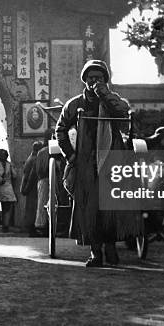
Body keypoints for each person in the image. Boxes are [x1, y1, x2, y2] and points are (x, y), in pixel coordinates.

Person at [55, 59, 143, 267]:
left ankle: (111, 249)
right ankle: (96, 252)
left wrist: (105, 94)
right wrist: (71, 155)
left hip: (111, 158)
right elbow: (60, 130)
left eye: (99, 78)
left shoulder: (113, 100)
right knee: (91, 208)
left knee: (111, 207)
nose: (94, 82)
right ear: (84, 80)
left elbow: (124, 113)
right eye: (91, 78)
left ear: (105, 80)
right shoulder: (74, 104)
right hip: (86, 162)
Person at [31, 129, 58, 237]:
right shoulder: (45, 151)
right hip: (48, 179)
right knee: (46, 203)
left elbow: (38, 169)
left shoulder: (41, 152)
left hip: (44, 179)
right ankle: (43, 226)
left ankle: (41, 226)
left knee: (43, 203)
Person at [20, 141, 44, 236]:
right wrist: (27, 187)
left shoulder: (30, 158)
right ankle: (32, 228)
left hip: (30, 187)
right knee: (33, 208)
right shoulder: (35, 159)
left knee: (30, 208)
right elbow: (31, 175)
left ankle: (31, 228)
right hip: (33, 187)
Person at [0, 149, 17, 232]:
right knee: (7, 208)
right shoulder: (10, 164)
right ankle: (6, 225)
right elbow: (15, 175)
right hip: (8, 188)